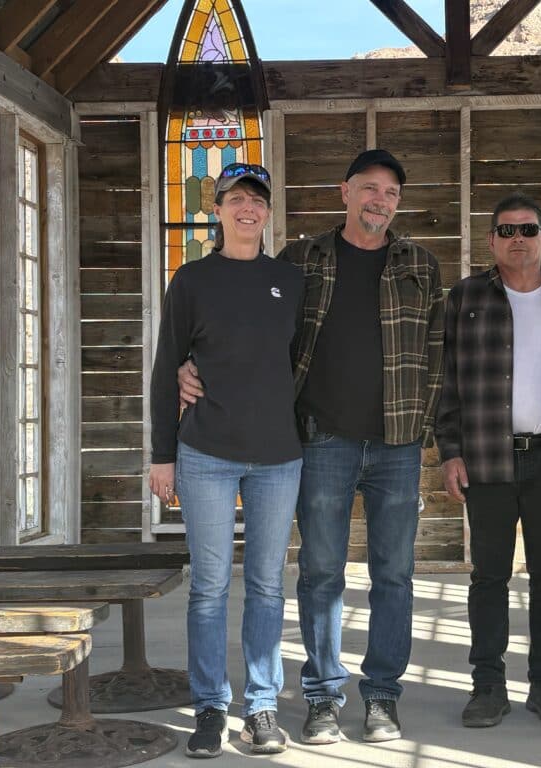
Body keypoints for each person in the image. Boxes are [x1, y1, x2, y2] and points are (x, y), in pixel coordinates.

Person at [178, 149, 445, 745]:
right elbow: (248, 332)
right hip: (321, 439)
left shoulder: (421, 266)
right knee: (320, 573)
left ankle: (381, 696)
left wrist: (422, 425)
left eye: (391, 193)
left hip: (397, 445)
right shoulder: (302, 260)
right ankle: (323, 697)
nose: (380, 200)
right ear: (344, 192)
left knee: (394, 575)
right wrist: (186, 367)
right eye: (369, 188)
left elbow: (436, 355)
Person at [149, 162, 303, 758]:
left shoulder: (290, 281)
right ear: (217, 210)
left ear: (267, 212)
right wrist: (163, 455)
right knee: (210, 587)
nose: (247, 209)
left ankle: (261, 708)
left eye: (256, 200)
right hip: (206, 454)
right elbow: (170, 367)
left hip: (277, 457)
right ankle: (210, 707)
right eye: (235, 199)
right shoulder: (190, 280)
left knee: (266, 586)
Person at [435, 192, 541, 728]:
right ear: (491, 241)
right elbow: (446, 382)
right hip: (487, 458)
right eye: (505, 231)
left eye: (527, 229)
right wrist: (449, 452)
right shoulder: (466, 296)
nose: (517, 239)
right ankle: (487, 687)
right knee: (489, 576)